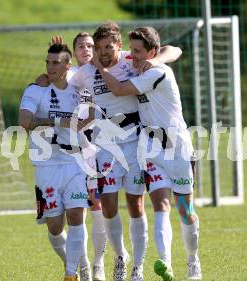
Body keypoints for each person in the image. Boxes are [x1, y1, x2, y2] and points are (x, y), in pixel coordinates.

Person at [70, 21, 182, 281]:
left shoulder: (131, 60)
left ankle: (138, 268)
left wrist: (155, 61)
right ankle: (120, 257)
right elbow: (67, 80)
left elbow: (174, 50)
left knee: (135, 203)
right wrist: (46, 81)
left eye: (108, 47)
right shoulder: (86, 72)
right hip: (105, 147)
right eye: (98, 48)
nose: (103, 52)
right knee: (108, 204)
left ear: (118, 47)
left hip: (134, 144)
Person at [93, 26, 202, 280]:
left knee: (185, 210)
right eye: (131, 51)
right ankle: (165, 263)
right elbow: (169, 50)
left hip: (178, 149)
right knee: (160, 206)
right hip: (151, 149)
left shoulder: (158, 73)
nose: (134, 56)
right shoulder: (138, 65)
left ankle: (192, 261)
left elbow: (174, 50)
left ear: (151, 52)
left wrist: (102, 68)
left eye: (138, 52)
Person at [19, 43, 94, 281]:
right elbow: (24, 121)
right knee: (54, 226)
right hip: (46, 165)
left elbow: (89, 116)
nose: (50, 67)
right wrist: (57, 121)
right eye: (47, 62)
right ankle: (73, 263)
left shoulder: (79, 89)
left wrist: (86, 121)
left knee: (76, 216)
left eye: (56, 63)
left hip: (75, 161)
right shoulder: (35, 89)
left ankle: (74, 273)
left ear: (67, 66)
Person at [36, 33, 107, 281]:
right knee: (60, 222)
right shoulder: (74, 76)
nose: (86, 49)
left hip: (97, 151)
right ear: (74, 54)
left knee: (94, 209)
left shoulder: (106, 70)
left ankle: (98, 265)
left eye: (90, 46)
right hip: (72, 153)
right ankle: (83, 264)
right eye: (81, 46)